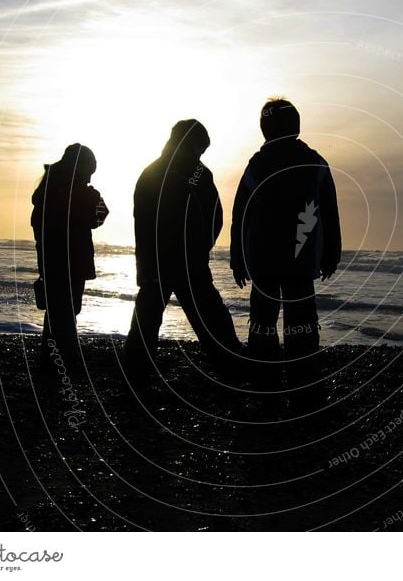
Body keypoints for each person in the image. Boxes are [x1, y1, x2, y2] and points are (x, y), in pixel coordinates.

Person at [230, 98, 341, 376]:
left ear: (264, 129)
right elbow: (330, 212)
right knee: (301, 321)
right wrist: (331, 254)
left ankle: (263, 378)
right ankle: (303, 377)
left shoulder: (256, 164)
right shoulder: (315, 162)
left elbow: (240, 215)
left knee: (263, 323)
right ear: (296, 126)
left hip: (263, 259)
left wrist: (238, 258)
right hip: (300, 259)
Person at [124, 119, 241, 380]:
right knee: (212, 318)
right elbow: (215, 216)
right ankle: (231, 369)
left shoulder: (150, 173)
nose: (201, 154)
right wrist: (201, 249)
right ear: (193, 144)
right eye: (201, 148)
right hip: (188, 263)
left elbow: (141, 223)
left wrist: (145, 263)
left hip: (157, 262)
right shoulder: (197, 173)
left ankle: (135, 377)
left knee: (147, 321)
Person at [31, 143, 108, 369]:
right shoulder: (75, 193)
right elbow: (97, 217)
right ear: (80, 168)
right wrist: (93, 197)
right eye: (89, 172)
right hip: (70, 261)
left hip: (52, 260)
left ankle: (51, 359)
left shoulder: (49, 189)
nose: (90, 178)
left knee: (58, 312)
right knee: (65, 312)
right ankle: (67, 361)